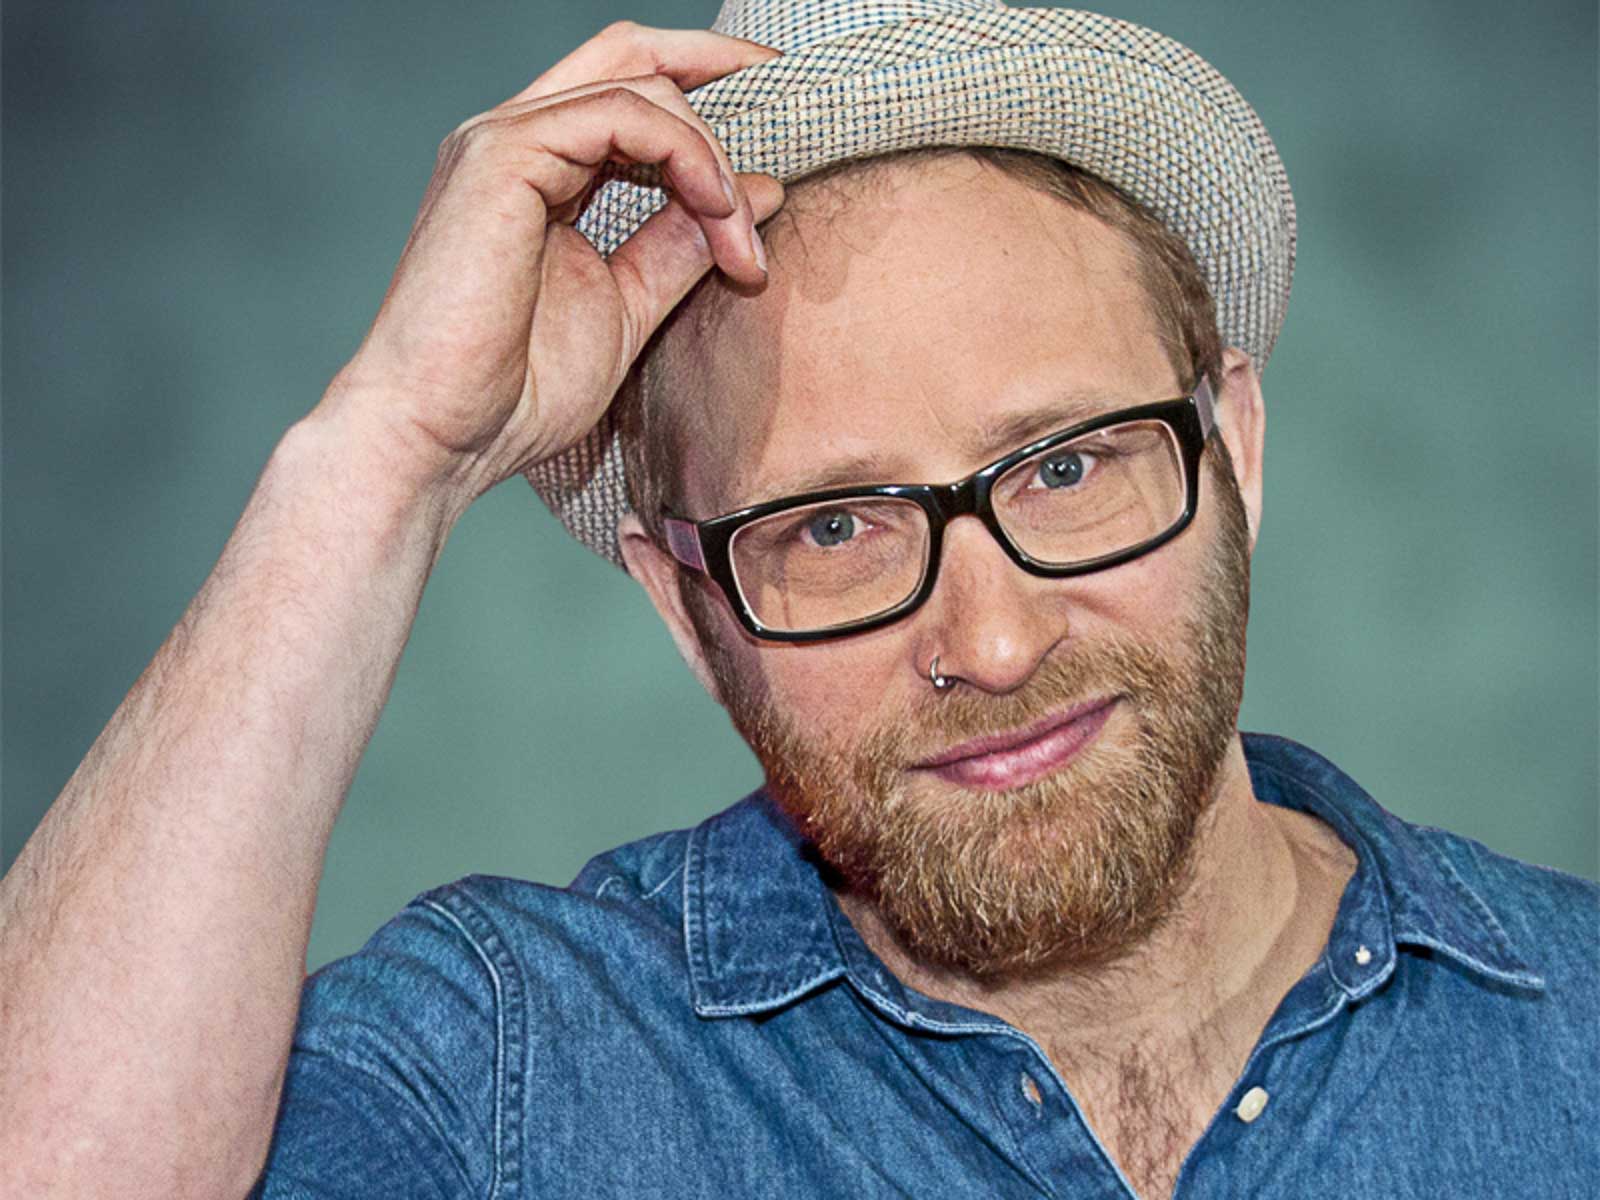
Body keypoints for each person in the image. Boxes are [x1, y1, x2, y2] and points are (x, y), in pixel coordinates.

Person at [1, 1, 1594, 1197]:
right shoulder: (511, 1072)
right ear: (686, 614)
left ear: (1232, 449)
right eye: (834, 529)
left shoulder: (1576, 1033)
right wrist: (384, 456)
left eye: (1062, 469)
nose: (992, 642)